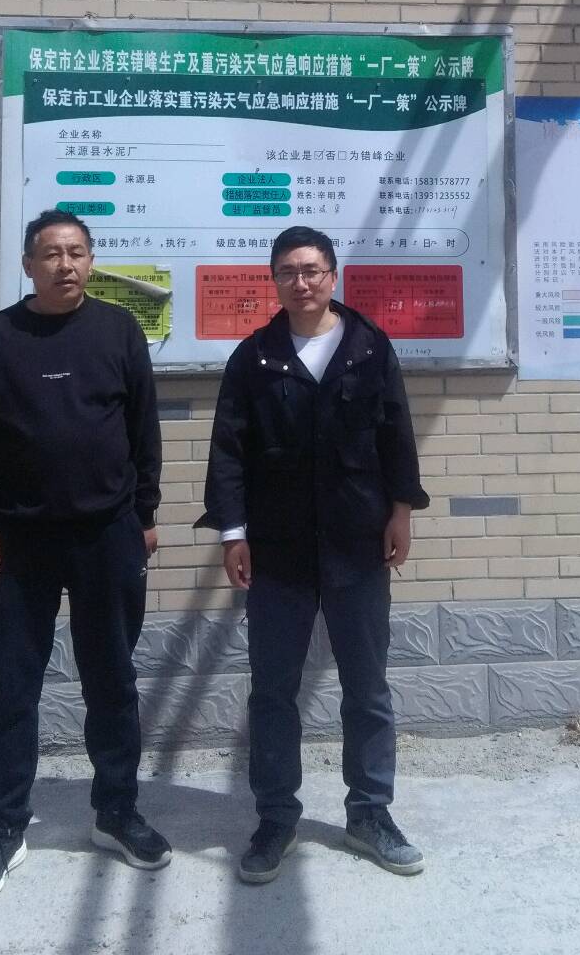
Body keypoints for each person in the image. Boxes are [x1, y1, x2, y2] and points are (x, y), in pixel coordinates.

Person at [0, 210, 169, 903]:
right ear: (28, 265)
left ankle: (116, 812)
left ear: (91, 261)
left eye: (76, 252)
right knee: (13, 687)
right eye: (51, 253)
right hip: (19, 540)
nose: (65, 264)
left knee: (113, 680)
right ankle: (4, 827)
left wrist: (144, 515)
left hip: (108, 535)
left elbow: (144, 430)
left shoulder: (118, 330)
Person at [199, 225, 429, 884]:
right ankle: (275, 818)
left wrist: (401, 511)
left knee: (367, 687)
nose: (300, 282)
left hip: (358, 544)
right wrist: (233, 534)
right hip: (279, 552)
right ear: (273, 280)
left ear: (332, 275)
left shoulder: (368, 348)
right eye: (288, 272)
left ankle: (370, 813)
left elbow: (396, 436)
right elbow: (229, 452)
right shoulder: (255, 357)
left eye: (312, 270)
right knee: (273, 691)